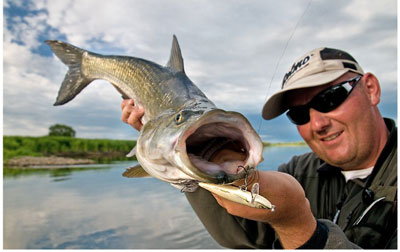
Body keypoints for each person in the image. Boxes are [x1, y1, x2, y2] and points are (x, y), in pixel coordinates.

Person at [120, 47, 397, 249]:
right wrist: (177, 153)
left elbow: (289, 223)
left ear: (371, 89)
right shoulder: (299, 171)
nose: (318, 122)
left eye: (331, 98)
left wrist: (297, 224)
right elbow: (241, 235)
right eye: (299, 114)